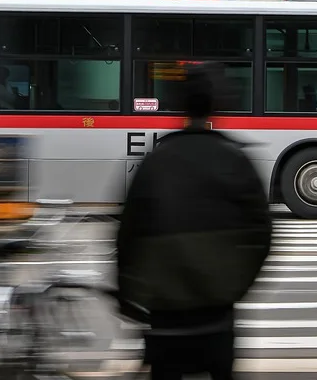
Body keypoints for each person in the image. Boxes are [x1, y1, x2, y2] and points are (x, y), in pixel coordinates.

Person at [116, 63, 273, 380]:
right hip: (217, 314)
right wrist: (235, 287)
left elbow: (127, 234)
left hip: (165, 317)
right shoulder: (234, 159)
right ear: (218, 104)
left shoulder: (156, 160)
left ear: (178, 104)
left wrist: (129, 294)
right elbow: (263, 234)